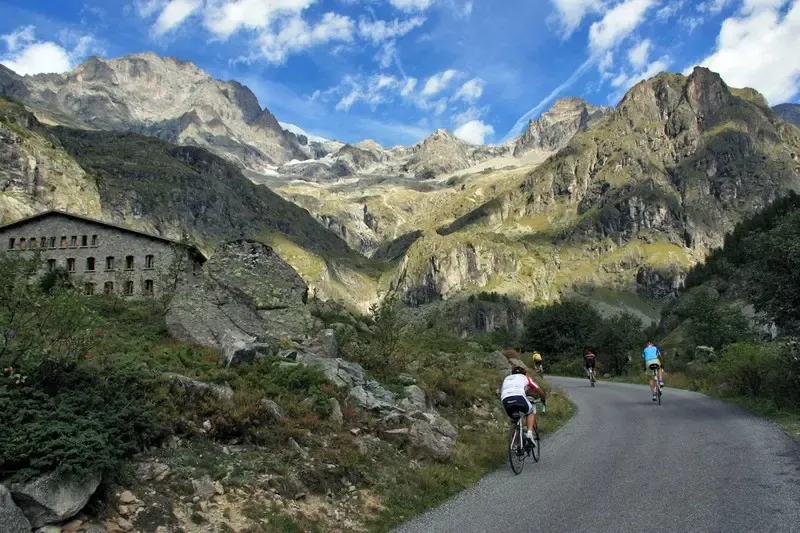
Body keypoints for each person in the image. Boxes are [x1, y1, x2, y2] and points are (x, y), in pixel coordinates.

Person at [500, 365, 547, 446]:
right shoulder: (525, 378)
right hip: (519, 397)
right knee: (530, 411)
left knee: (515, 420)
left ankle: (515, 445)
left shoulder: (507, 378)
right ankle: (529, 434)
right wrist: (543, 399)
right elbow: (538, 390)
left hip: (505, 399)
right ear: (524, 373)